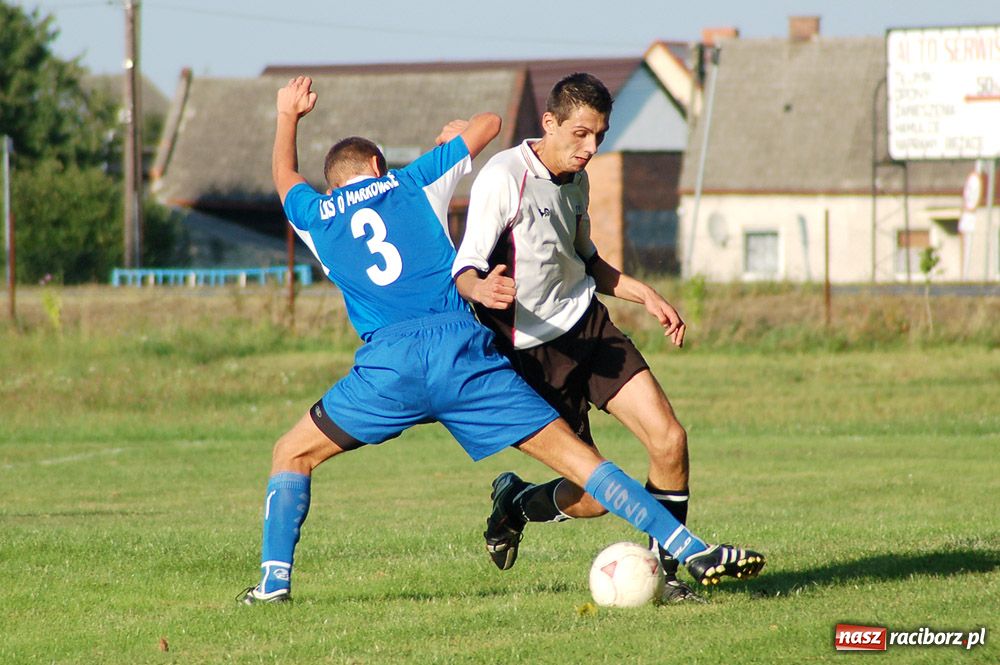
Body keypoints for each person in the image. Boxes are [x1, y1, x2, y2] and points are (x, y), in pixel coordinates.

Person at [239, 75, 764, 604]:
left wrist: (288, 116)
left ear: (332, 188)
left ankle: (273, 585)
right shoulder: (413, 180)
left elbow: (285, 176)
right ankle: (692, 548)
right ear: (378, 166)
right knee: (584, 466)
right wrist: (455, 138)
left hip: (389, 366)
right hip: (463, 355)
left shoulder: (315, 216)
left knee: (291, 452)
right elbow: (490, 124)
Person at [453, 72, 743, 602]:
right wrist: (480, 289)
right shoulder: (504, 177)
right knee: (595, 497)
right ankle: (515, 503)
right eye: (580, 134)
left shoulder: (577, 179)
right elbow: (465, 267)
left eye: (600, 136)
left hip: (589, 328)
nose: (590, 148)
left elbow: (587, 261)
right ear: (550, 123)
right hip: (531, 356)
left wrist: (643, 294)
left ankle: (667, 578)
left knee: (670, 440)